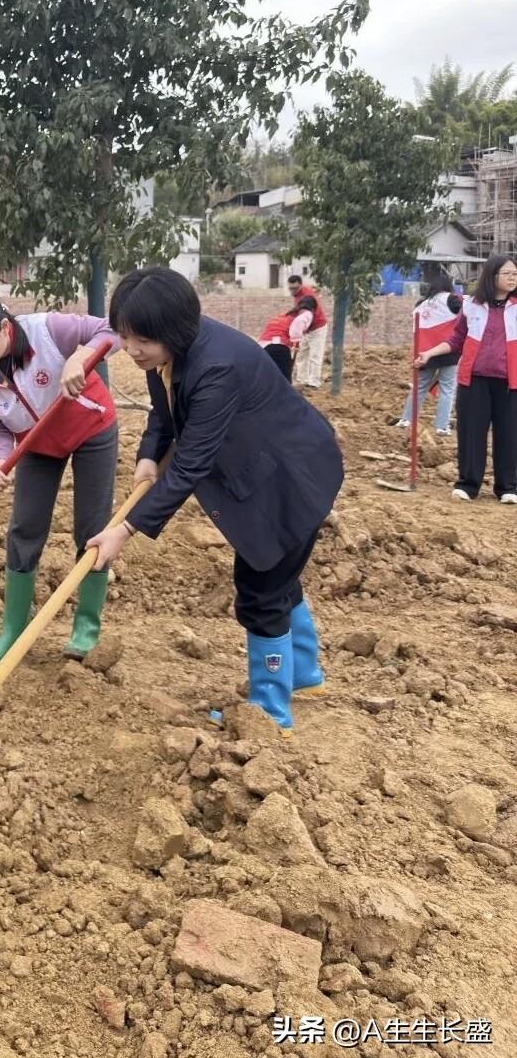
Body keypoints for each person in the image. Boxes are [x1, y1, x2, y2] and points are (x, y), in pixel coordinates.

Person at [86, 267, 344, 735]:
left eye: (142, 339)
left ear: (173, 329)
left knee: (261, 590)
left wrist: (124, 529)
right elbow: (165, 414)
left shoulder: (215, 367)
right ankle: (304, 675)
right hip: (268, 468)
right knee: (275, 575)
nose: (131, 349)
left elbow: (190, 463)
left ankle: (270, 712)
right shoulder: (167, 354)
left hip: (291, 477)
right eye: (124, 336)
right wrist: (147, 457)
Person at [0, 291, 121, 665]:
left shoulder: (49, 330)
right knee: (24, 528)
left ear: (4, 328)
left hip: (91, 429)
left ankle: (86, 628)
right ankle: (14, 630)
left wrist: (80, 357)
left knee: (91, 527)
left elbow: (112, 329)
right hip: (36, 443)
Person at [417, 254, 517, 502]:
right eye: (507, 273)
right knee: (471, 432)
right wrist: (429, 353)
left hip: (510, 382)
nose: (512, 277)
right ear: (492, 276)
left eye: (515, 273)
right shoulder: (471, 305)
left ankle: (508, 487)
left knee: (509, 434)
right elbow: (456, 340)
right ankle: (468, 484)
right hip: (474, 380)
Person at [395, 273, 462, 435]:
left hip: (424, 351)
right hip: (448, 350)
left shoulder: (420, 304)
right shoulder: (453, 300)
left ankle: (406, 419)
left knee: (419, 387)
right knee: (447, 389)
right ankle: (441, 426)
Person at [258, 295, 317, 381]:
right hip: (279, 347)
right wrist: (296, 342)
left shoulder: (286, 314)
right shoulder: (307, 314)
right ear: (313, 308)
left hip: (264, 347)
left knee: (269, 378)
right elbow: (295, 329)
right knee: (285, 379)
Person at [287, 274, 329, 389]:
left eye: (295, 288)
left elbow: (308, 316)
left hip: (317, 328)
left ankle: (314, 383)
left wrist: (299, 330)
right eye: (290, 288)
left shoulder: (308, 296)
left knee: (315, 355)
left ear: (301, 285)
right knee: (301, 355)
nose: (293, 291)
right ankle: (302, 380)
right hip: (306, 329)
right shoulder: (296, 295)